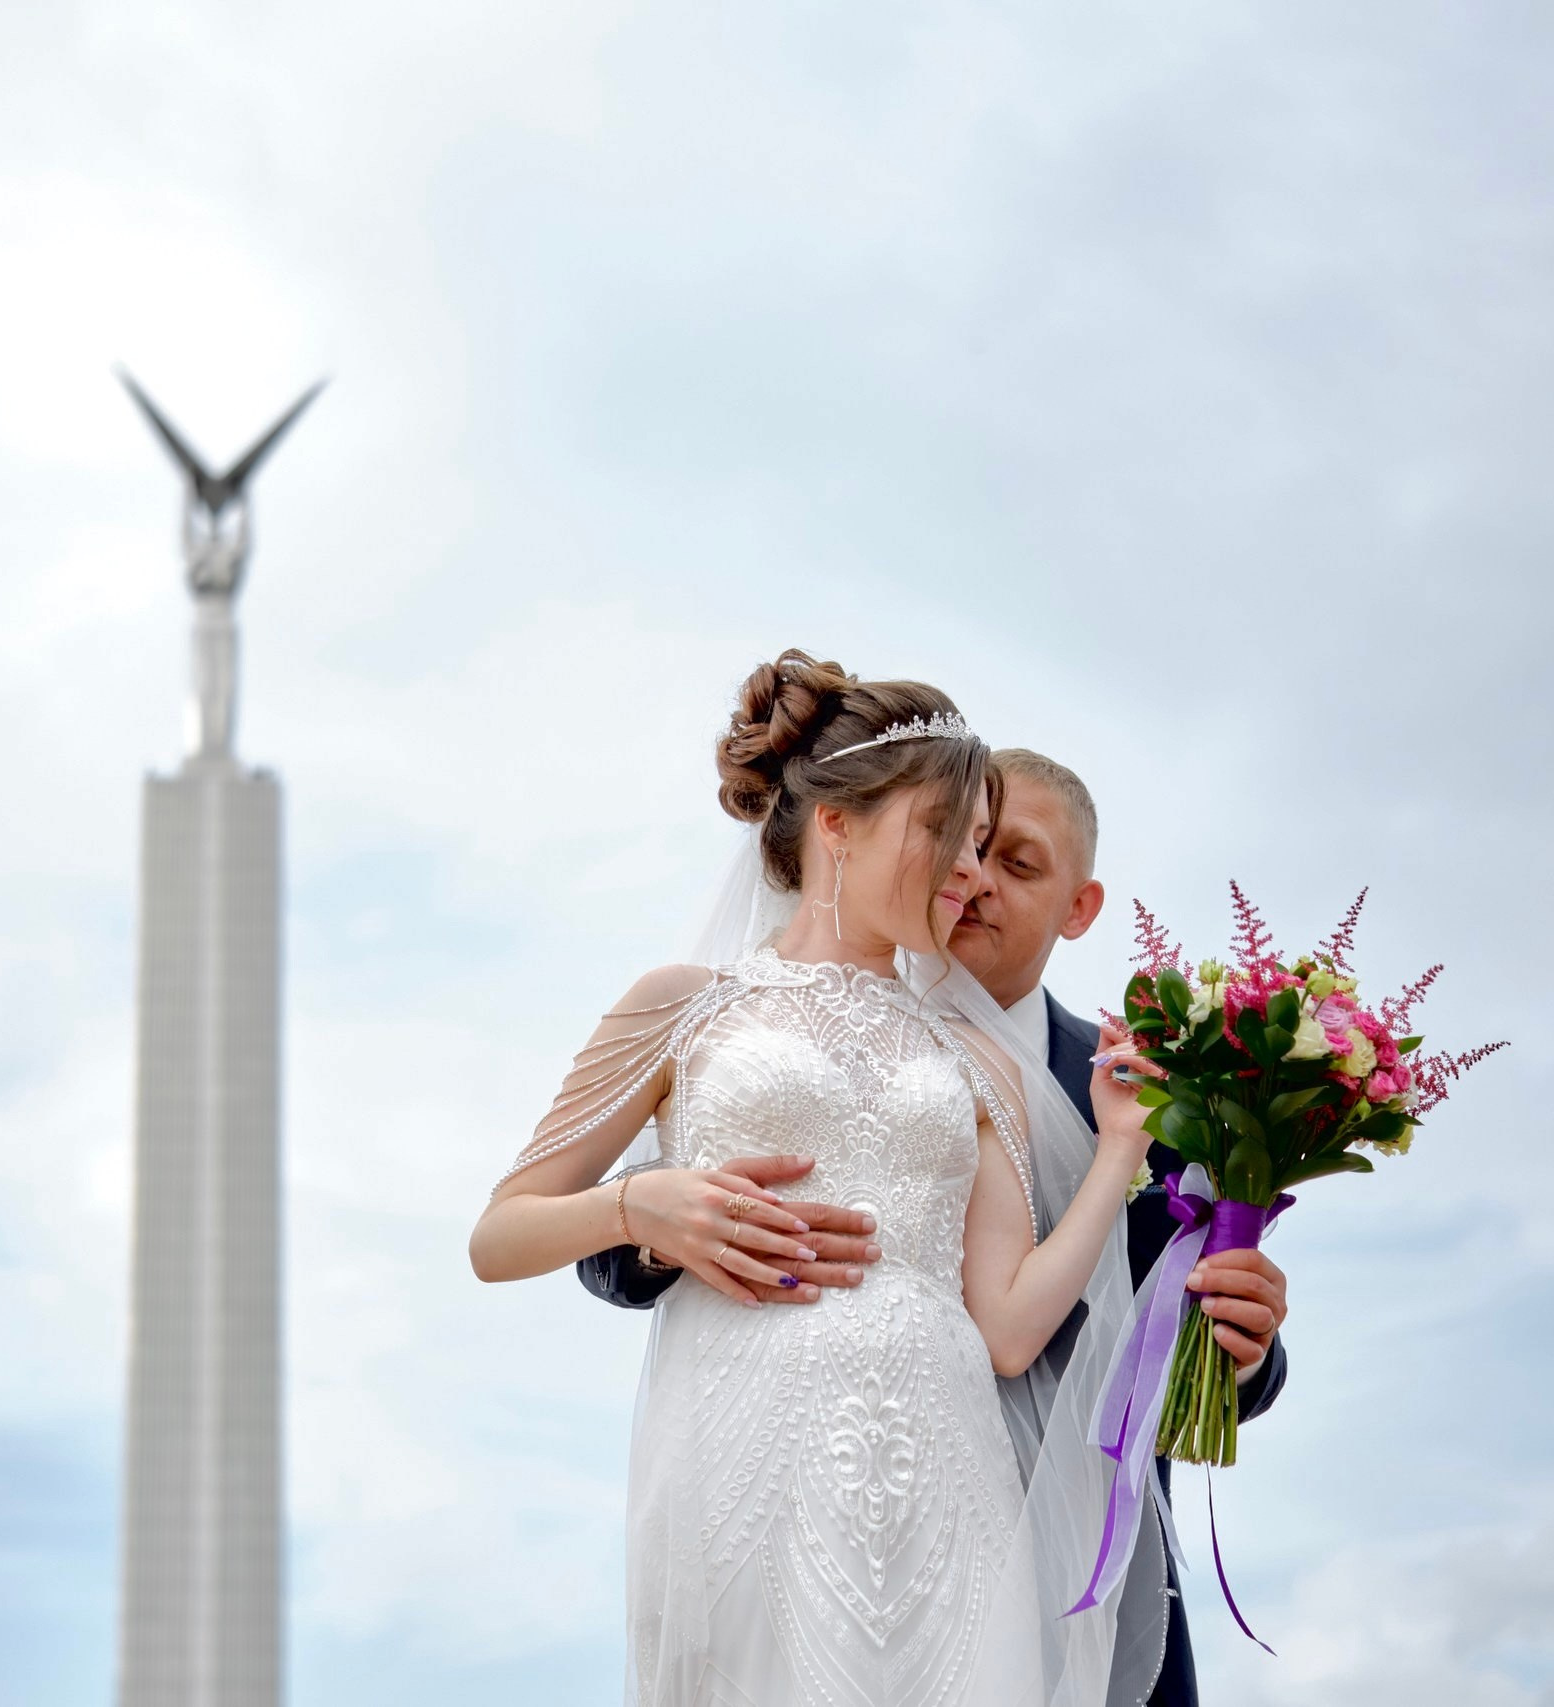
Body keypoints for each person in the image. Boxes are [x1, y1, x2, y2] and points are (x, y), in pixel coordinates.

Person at [470, 651, 1161, 1706]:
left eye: (981, 846)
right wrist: (637, 1204)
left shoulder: (974, 1060)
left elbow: (1011, 1329)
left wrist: (1118, 1151)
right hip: (743, 1457)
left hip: (944, 1478)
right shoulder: (683, 1003)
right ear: (834, 825)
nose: (968, 874)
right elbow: (498, 1235)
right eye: (943, 835)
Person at [575, 746, 1293, 1707]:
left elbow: (1184, 1333)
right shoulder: (774, 1029)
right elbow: (610, 1240)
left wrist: (1246, 1353)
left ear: (1081, 908)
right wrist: (665, 1226)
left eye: (1020, 862)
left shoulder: (1165, 1103)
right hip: (806, 1522)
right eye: (965, 843)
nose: (977, 879)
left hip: (1085, 1588)